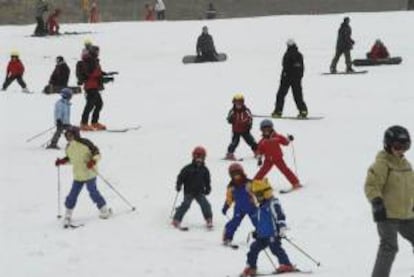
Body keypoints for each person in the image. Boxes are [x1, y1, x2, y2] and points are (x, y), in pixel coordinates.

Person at [364, 125, 414, 277]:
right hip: (387, 215)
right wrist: (377, 202)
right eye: (398, 146)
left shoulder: (406, 165)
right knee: (389, 247)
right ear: (387, 144)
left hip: (407, 215)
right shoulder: (382, 163)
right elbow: (371, 185)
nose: (401, 150)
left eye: (405, 146)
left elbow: (410, 187)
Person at [55, 126, 111, 227]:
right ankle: (68, 213)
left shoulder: (86, 143)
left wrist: (93, 161)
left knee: (93, 192)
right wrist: (62, 161)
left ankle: (104, 209)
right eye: (67, 136)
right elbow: (71, 159)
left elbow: (97, 153)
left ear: (76, 134)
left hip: (90, 174)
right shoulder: (68, 147)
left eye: (71, 135)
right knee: (72, 195)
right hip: (78, 175)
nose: (69, 137)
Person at [241, 179, 295, 276]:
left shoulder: (273, 203)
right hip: (262, 236)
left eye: (260, 195)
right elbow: (260, 223)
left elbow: (279, 215)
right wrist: (257, 232)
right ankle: (251, 267)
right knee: (253, 248)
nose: (258, 197)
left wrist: (282, 226)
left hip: (273, 234)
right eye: (256, 195)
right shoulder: (260, 207)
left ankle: (286, 264)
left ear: (266, 193)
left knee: (275, 249)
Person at [172, 146, 213, 229]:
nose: (199, 159)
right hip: (189, 191)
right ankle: (176, 219)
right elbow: (180, 177)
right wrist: (178, 185)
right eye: (197, 157)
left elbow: (207, 180)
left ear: (204, 158)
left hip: (199, 192)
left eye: (201, 157)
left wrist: (208, 188)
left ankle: (208, 219)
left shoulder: (204, 170)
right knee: (186, 204)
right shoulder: (187, 168)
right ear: (193, 157)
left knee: (205, 205)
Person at [254, 119, 301, 191]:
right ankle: (255, 183)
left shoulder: (277, 136)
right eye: (264, 128)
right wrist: (259, 158)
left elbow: (285, 142)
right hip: (268, 160)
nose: (266, 130)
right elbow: (260, 151)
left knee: (285, 170)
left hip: (278, 158)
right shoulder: (262, 141)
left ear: (271, 128)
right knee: (262, 171)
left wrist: (289, 139)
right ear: (261, 130)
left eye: (268, 128)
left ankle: (295, 183)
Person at [222, 163, 257, 245]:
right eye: (234, 174)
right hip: (239, 208)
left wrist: (262, 200)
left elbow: (258, 192)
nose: (236, 176)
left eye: (238, 174)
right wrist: (226, 206)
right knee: (234, 223)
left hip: (251, 207)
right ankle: (227, 237)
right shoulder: (231, 187)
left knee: (258, 221)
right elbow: (229, 198)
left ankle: (264, 236)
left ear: (241, 173)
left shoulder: (249, 183)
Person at [271, 39, 307, 119]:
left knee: (280, 95)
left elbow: (285, 67)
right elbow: (301, 68)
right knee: (298, 96)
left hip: (286, 79)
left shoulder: (287, 54)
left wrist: (284, 77)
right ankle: (303, 110)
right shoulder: (299, 55)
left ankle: (278, 111)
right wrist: (299, 77)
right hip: (296, 79)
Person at [78, 45, 107, 131]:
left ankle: (94, 122)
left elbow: (97, 71)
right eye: (97, 51)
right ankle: (84, 123)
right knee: (89, 105)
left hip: (94, 86)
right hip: (90, 86)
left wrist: (104, 75)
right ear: (93, 51)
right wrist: (99, 75)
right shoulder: (89, 60)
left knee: (99, 104)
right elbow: (90, 73)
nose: (98, 53)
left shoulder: (94, 60)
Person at [225, 93, 257, 160]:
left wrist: (249, 125)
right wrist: (231, 119)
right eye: (236, 103)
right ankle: (230, 153)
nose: (238, 105)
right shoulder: (232, 111)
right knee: (234, 143)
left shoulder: (246, 111)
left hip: (245, 130)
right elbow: (229, 119)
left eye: (240, 102)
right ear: (234, 103)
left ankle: (257, 151)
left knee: (251, 141)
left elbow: (250, 119)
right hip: (236, 131)